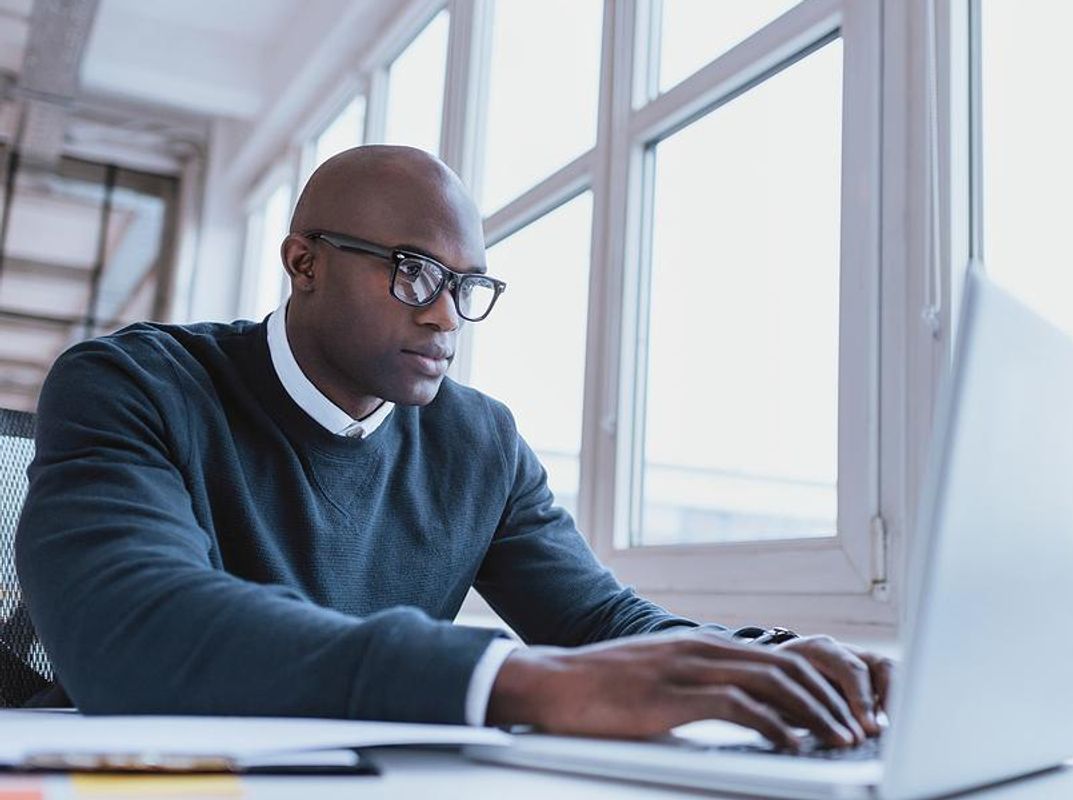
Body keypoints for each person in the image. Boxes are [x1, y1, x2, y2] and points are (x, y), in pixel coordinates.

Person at [16, 146, 892, 752]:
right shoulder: (134, 382)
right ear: (303, 262)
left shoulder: (481, 443)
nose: (442, 313)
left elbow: (598, 626)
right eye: (412, 270)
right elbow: (130, 630)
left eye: (466, 286)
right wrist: (518, 681)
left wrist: (770, 660)